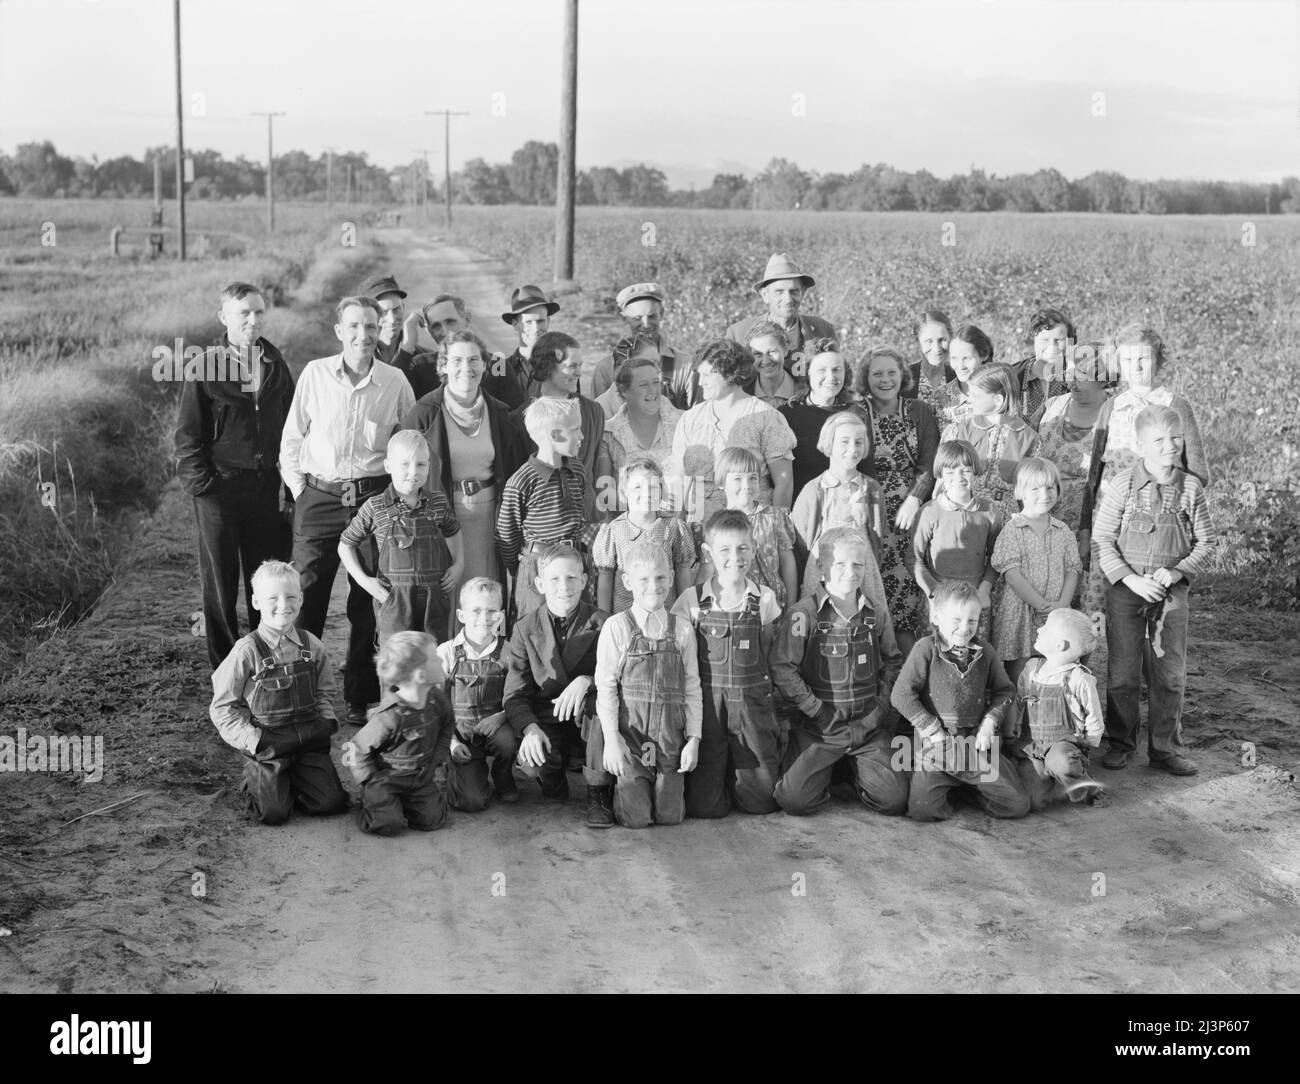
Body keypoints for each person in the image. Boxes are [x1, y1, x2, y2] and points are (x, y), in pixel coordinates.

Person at [279, 295, 416, 725]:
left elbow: (408, 442)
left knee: (368, 600)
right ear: (339, 331)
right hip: (319, 498)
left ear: (379, 332)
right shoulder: (316, 375)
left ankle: (359, 695)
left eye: (371, 327)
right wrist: (303, 491)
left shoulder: (394, 381)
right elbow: (292, 439)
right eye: (354, 326)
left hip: (375, 501)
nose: (363, 335)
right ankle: (301, 693)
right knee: (306, 597)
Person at [1092, 405, 1216, 776]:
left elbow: (1206, 543)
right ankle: (1120, 742)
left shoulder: (1190, 487)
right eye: (1158, 440)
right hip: (1127, 591)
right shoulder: (1123, 484)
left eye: (1175, 438)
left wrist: (1176, 572)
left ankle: (1165, 748)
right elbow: (1102, 539)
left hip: (1170, 595)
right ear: (1141, 445)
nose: (1169, 447)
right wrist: (1130, 579)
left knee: (1169, 673)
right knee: (1123, 672)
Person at [176, 281, 295, 671]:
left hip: (266, 489)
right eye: (244, 312)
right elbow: (188, 437)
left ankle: (267, 663)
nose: (253, 319)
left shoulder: (276, 365)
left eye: (259, 312)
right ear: (224, 317)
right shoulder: (204, 367)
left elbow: (295, 430)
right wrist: (206, 488)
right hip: (221, 490)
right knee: (221, 586)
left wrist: (289, 487)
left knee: (267, 584)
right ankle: (227, 672)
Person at [1078, 325, 1211, 630]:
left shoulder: (1176, 406)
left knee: (1157, 609)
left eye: (1144, 359)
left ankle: (1155, 670)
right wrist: (1086, 528)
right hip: (1111, 522)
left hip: (1160, 524)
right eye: (1127, 360)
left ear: (1158, 360)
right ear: (1117, 363)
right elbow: (1093, 477)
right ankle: (1094, 671)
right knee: (1101, 607)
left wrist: (1173, 508)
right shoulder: (1111, 407)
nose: (1136, 367)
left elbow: (1198, 472)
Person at [772, 526, 909, 817]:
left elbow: (893, 662)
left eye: (858, 564)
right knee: (794, 801)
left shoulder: (876, 615)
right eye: (841, 563)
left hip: (867, 727)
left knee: (895, 800)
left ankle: (851, 770)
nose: (851, 571)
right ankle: (829, 769)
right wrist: (817, 712)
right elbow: (784, 670)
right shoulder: (802, 615)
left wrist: (878, 711)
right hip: (819, 729)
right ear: (821, 567)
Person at [208, 560, 348, 825]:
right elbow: (222, 708)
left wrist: (326, 720)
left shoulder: (312, 645)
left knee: (331, 803)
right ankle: (259, 781)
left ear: (301, 599)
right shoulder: (246, 651)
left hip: (308, 740)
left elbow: (325, 690)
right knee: (274, 814)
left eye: (291, 596)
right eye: (273, 597)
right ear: (256, 602)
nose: (283, 604)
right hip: (269, 744)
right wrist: (253, 740)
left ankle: (293, 779)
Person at [401, 330, 529, 608]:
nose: (466, 368)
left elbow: (517, 471)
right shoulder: (424, 413)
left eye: (473, 360)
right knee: (447, 598)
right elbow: (403, 477)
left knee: (484, 595)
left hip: (488, 517)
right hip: (442, 518)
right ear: (443, 366)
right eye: (456, 360)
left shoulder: (500, 413)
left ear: (484, 365)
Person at [672, 509, 784, 818]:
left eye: (743, 548)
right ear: (707, 552)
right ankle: (718, 780)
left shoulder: (764, 599)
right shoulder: (692, 601)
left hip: (752, 705)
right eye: (725, 549)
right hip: (709, 708)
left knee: (761, 804)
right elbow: (682, 661)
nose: (735, 557)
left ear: (754, 548)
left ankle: (745, 781)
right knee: (704, 808)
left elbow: (768, 651)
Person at [892, 579, 1029, 822]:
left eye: (972, 620)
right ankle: (950, 785)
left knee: (1016, 805)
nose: (965, 628)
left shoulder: (986, 652)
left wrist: (988, 724)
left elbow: (1005, 691)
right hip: (936, 745)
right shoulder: (925, 649)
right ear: (936, 618)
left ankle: (970, 789)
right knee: (922, 810)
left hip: (975, 743)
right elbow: (901, 695)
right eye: (956, 620)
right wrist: (933, 731)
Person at [502, 542, 614, 827]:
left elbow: (620, 676)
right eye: (554, 579)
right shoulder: (525, 628)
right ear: (540, 583)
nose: (564, 586)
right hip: (546, 717)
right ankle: (552, 777)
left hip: (588, 719)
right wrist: (529, 729)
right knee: (533, 762)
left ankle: (598, 793)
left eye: (572, 578)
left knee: (601, 709)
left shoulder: (604, 623)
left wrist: (588, 680)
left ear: (585, 581)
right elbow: (515, 694)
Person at [594, 542, 703, 828]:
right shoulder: (616, 627)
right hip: (632, 742)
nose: (653, 586)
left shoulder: (681, 629)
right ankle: (614, 787)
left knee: (670, 818)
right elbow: (605, 688)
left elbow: (692, 686)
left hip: (670, 743)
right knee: (637, 819)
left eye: (660, 577)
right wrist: (612, 741)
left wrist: (693, 740)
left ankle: (663, 787)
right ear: (628, 581)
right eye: (643, 579)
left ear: (670, 576)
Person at [338, 430, 463, 649]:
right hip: (394, 602)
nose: (413, 472)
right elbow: (345, 544)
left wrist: (459, 564)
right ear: (388, 466)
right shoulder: (375, 507)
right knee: (396, 666)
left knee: (434, 662)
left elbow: (453, 531)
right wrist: (364, 581)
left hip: (434, 601)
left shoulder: (439, 503)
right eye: (404, 464)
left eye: (421, 465)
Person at [855, 346, 940, 655]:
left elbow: (930, 463)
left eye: (891, 372)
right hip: (870, 511)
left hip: (911, 515)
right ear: (866, 378)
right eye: (877, 373)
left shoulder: (919, 411)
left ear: (902, 375)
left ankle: (911, 667)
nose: (885, 379)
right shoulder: (857, 412)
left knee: (908, 591)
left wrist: (914, 499)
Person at [670, 339, 796, 528]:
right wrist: (674, 529)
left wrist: (776, 531)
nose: (701, 382)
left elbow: (783, 482)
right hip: (697, 528)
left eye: (707, 375)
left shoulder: (767, 417)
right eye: (699, 375)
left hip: (751, 529)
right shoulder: (691, 419)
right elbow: (678, 482)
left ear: (729, 373)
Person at [344, 631, 453, 836]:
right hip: (387, 778)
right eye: (434, 659)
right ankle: (369, 804)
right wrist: (369, 781)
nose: (440, 659)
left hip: (420, 776)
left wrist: (435, 762)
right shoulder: (389, 717)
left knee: (433, 820)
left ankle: (399, 803)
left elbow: (447, 726)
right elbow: (354, 748)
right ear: (420, 675)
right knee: (388, 825)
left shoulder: (437, 700)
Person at [496, 397, 592, 622]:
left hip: (573, 563)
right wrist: (521, 570)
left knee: (578, 626)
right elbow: (507, 535)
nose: (582, 437)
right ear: (555, 435)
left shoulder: (577, 470)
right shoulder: (521, 481)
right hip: (538, 568)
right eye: (576, 430)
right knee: (535, 628)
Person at [990, 458, 1081, 685]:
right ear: (1020, 492)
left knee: (1050, 673)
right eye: (1035, 488)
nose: (1045, 494)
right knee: (1019, 676)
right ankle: (1011, 719)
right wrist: (1040, 605)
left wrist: (1061, 604)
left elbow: (1073, 569)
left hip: (1055, 612)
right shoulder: (1013, 529)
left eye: (1050, 487)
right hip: (1021, 611)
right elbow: (1012, 574)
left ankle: (1037, 720)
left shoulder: (1063, 531)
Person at [790, 412, 889, 608]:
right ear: (829, 443)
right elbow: (800, 540)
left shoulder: (872, 489)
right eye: (844, 442)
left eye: (858, 442)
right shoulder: (815, 489)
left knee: (868, 616)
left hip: (862, 569)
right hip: (823, 570)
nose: (852, 449)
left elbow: (880, 534)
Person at [1010, 608, 1106, 809]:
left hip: (1063, 744)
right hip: (1033, 744)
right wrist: (1011, 732)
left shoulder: (1079, 678)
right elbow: (1018, 701)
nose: (1039, 629)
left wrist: (1090, 741)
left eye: (1045, 628)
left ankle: (1086, 786)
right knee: (1035, 802)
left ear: (1060, 645)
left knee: (1063, 762)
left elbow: (1093, 715)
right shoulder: (1032, 669)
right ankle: (1051, 777)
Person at [437, 578, 520, 809]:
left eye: (491, 611)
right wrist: (451, 743)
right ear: (461, 615)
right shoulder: (446, 653)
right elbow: (433, 706)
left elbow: (520, 695)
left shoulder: (509, 652)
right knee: (471, 801)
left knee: (509, 742)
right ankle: (455, 769)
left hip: (496, 730)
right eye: (475, 611)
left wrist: (501, 716)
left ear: (501, 616)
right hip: (461, 736)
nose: (484, 618)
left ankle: (503, 774)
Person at [912, 440, 1003, 635]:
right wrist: (934, 591)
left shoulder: (989, 511)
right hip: (939, 600)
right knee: (936, 655)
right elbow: (913, 558)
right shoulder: (929, 511)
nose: (958, 477)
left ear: (975, 471)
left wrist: (985, 589)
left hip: (975, 599)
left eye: (965, 470)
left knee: (974, 656)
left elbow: (997, 558)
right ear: (941, 474)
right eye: (950, 471)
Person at [515, 330, 605, 523]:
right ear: (548, 368)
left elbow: (594, 471)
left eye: (580, 365)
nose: (579, 372)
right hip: (542, 526)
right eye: (571, 366)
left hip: (587, 521)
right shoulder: (521, 418)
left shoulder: (593, 412)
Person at [592, 457, 695, 614]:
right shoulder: (614, 531)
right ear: (625, 492)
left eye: (653, 487)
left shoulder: (672, 527)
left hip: (665, 615)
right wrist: (603, 618)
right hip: (626, 618)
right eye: (637, 487)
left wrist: (685, 613)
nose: (646, 493)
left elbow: (682, 571)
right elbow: (605, 578)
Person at [1034, 340, 1114, 537]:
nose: (1073, 382)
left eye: (1083, 375)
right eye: (1070, 374)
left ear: (1103, 379)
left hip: (1094, 531)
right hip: (1044, 525)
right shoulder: (1051, 407)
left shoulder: (1117, 414)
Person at [702, 446, 797, 607]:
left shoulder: (774, 517)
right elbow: (708, 570)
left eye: (753, 478)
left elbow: (788, 562)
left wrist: (792, 604)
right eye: (738, 479)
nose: (747, 485)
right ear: (721, 482)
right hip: (732, 606)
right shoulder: (716, 525)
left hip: (773, 604)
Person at [941, 362, 1042, 508]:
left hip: (1005, 518)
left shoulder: (1029, 439)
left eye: (975, 395)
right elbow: (942, 479)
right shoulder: (960, 430)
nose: (969, 399)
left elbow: (1032, 491)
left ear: (998, 400)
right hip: (964, 510)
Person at [778, 340, 871, 497]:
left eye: (837, 370)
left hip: (845, 508)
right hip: (800, 510)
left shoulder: (856, 414)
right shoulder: (787, 414)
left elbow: (867, 470)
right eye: (821, 370)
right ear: (808, 372)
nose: (830, 377)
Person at [587, 282, 698, 411]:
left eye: (652, 316)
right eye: (637, 318)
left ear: (661, 314)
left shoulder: (686, 365)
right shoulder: (606, 370)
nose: (645, 325)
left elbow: (699, 420)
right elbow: (598, 423)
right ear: (624, 319)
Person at [725, 253, 837, 377]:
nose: (788, 299)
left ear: (803, 293)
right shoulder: (738, 335)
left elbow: (837, 377)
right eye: (779, 292)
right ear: (765, 295)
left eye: (794, 291)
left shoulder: (822, 331)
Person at [593, 348, 683, 498]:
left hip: (676, 518)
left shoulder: (683, 424)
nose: (652, 390)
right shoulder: (608, 434)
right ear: (625, 392)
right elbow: (604, 491)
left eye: (655, 382)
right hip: (629, 518)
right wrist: (639, 507)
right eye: (643, 385)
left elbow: (696, 482)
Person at [483, 284, 560, 410]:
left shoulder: (563, 368)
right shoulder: (500, 370)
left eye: (541, 321)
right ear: (515, 325)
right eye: (528, 322)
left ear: (548, 322)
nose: (536, 329)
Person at [1015, 307, 1077, 423]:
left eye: (1059, 340)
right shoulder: (1015, 375)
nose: (1052, 346)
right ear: (1033, 341)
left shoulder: (1076, 375)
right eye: (1045, 340)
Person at [930, 323, 994, 429]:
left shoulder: (999, 392)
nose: (960, 366)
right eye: (954, 358)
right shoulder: (939, 399)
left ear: (984, 355)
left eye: (967, 358)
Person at [364, 274, 420, 370]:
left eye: (396, 309)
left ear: (403, 307)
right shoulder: (358, 358)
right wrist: (406, 351)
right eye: (383, 312)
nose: (392, 319)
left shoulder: (424, 359)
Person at [912, 308, 958, 407]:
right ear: (917, 342)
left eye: (942, 340)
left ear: (950, 338)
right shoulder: (902, 379)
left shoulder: (959, 377)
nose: (936, 348)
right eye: (929, 341)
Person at [747, 321, 799, 406]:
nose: (766, 361)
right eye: (758, 354)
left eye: (772, 352)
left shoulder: (806, 392)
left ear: (785, 349)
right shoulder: (741, 396)